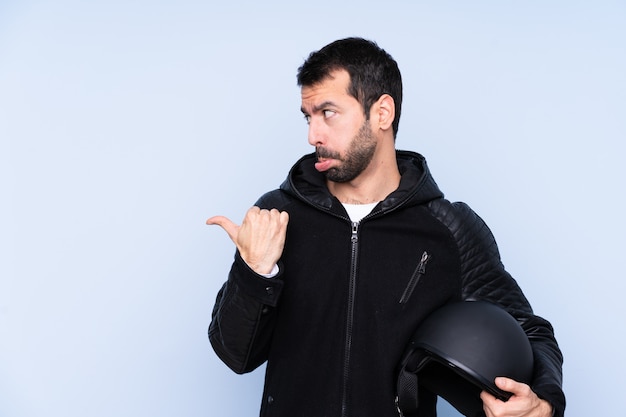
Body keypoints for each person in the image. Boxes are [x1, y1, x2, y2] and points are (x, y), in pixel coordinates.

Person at [206, 37, 565, 417]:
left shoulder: (448, 228)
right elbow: (236, 356)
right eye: (308, 116)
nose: (314, 135)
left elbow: (531, 330)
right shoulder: (277, 216)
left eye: (328, 113)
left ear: (382, 113)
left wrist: (543, 404)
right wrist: (255, 272)